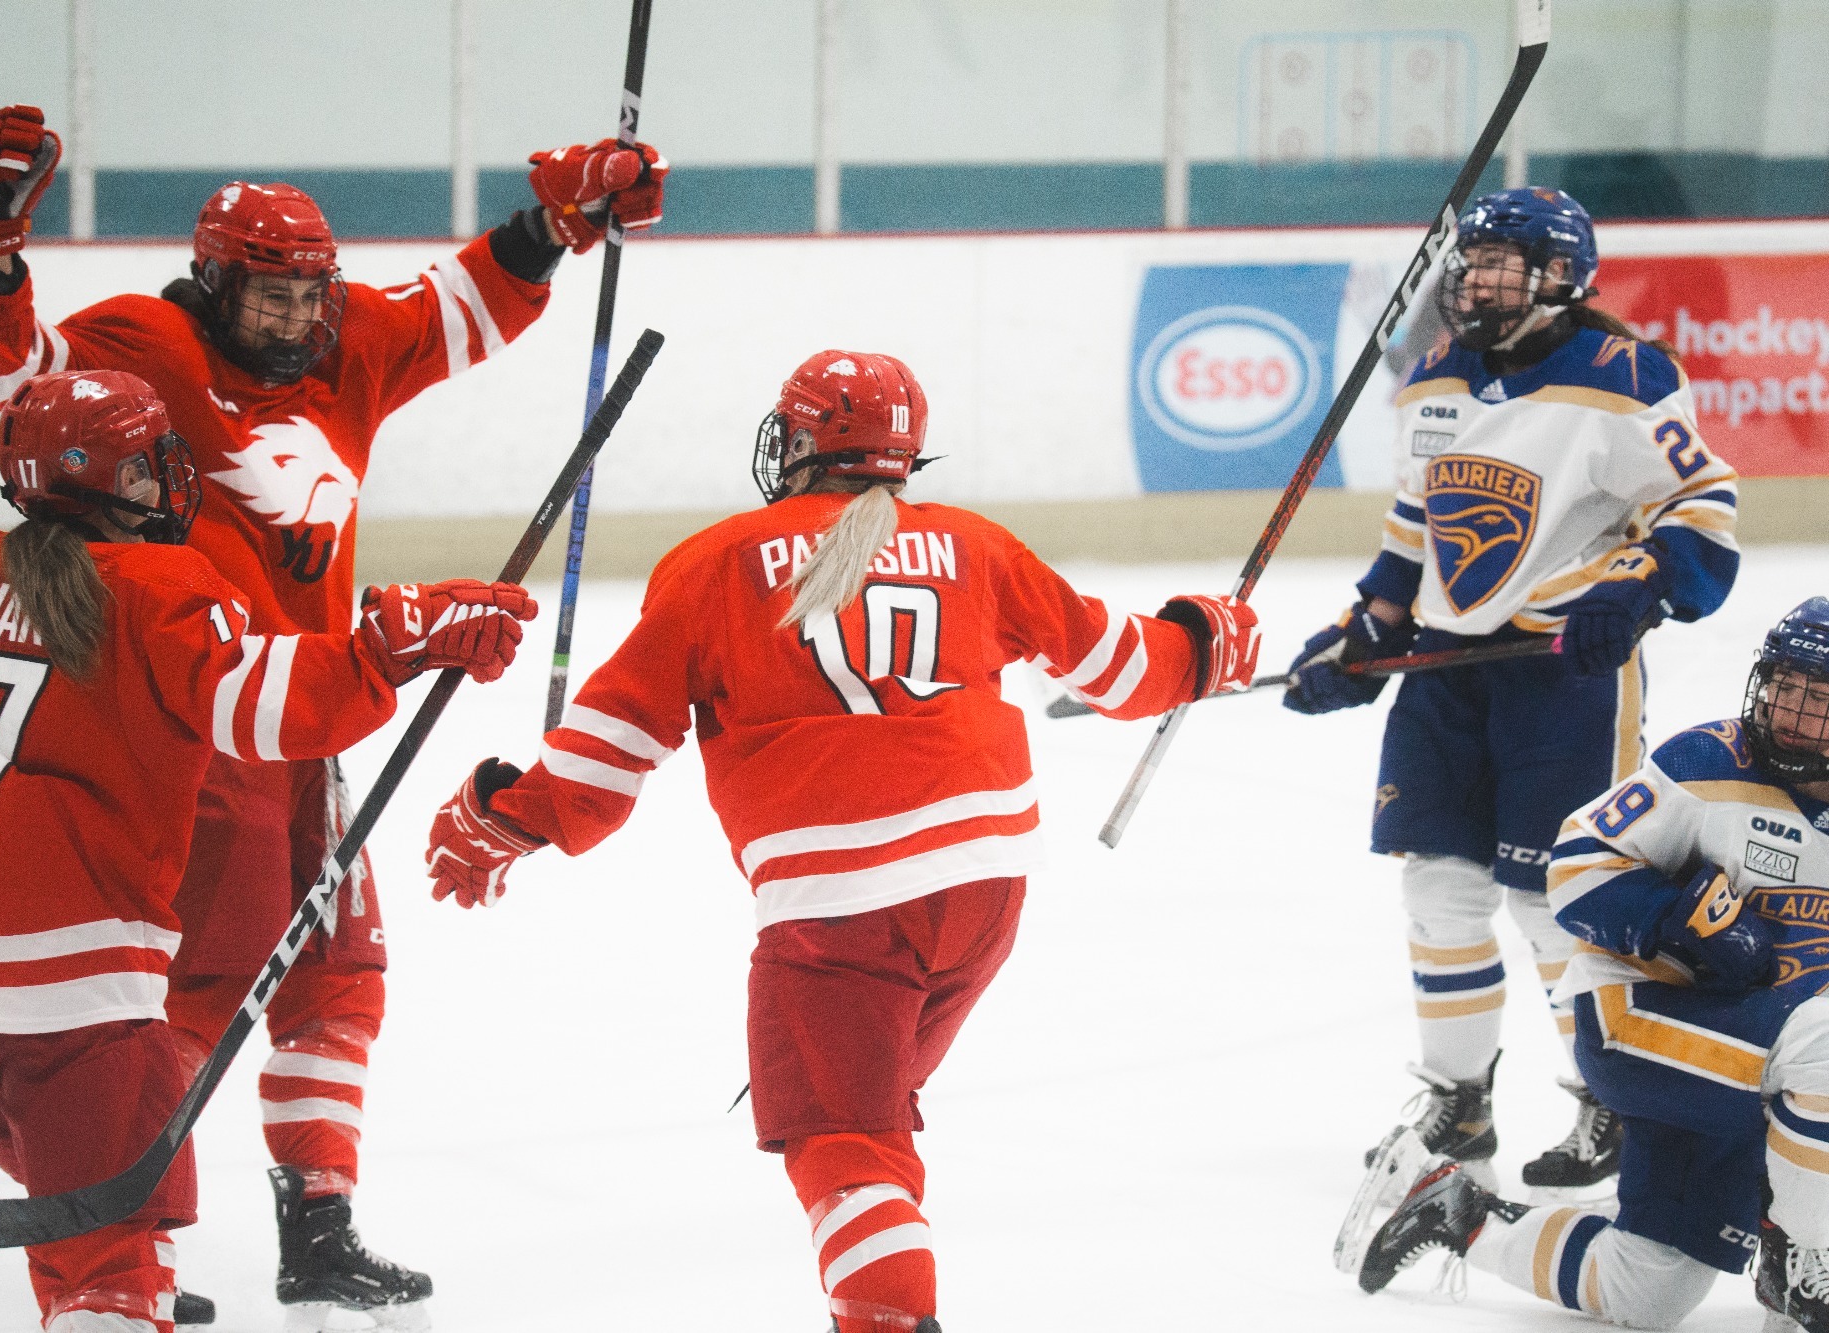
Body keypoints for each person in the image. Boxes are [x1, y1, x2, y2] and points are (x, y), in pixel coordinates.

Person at [0, 104, 662, 1322]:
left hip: (314, 719)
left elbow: (461, 305)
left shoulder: (348, 337)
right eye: (266, 297)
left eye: (307, 295)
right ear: (212, 282)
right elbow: (7, 381)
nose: (291, 319)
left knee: (336, 973)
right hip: (204, 724)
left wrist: (560, 217)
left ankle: (316, 1231)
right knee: (205, 989)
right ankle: (119, 1233)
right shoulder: (146, 341)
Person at [418, 350, 1261, 1331]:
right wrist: (1204, 639)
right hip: (984, 890)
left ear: (800, 444)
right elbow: (1126, 672)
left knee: (841, 1135)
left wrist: (502, 818)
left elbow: (610, 753)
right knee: (873, 1117)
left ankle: (889, 1317)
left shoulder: (719, 563)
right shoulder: (974, 545)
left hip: (838, 911)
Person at [0, 370, 530, 1333]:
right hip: (72, 997)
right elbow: (279, 708)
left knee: (88, 1229)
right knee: (112, 1280)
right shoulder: (155, 586)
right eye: (156, 464)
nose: (171, 482)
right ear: (121, 479)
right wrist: (393, 643)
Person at [1285, 187, 1740, 1194]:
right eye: (1472, 258)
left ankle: (1612, 1104)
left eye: (1501, 260)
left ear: (1559, 274)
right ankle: (1458, 1105)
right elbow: (1418, 518)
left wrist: (1635, 582)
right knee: (1437, 895)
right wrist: (1369, 626)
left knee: (1555, 903)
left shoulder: (1621, 376)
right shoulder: (1433, 376)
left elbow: (1700, 499)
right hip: (1448, 682)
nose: (1476, 276)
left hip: (1562, 674)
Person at [1357, 597, 1829, 1333]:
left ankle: (1463, 1213)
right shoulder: (1707, 762)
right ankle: (1808, 1259)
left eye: (1820, 696)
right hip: (1646, 1017)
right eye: (1785, 686)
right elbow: (1574, 865)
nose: (1793, 711)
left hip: (1765, 1054)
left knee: (1647, 1289)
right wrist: (1675, 920)